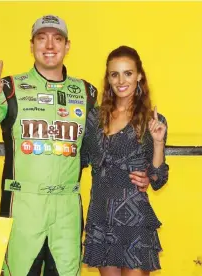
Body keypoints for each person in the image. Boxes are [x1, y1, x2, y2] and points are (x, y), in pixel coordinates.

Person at [0, 15, 149, 276]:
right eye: (41, 38)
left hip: (67, 209)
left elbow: (105, 151)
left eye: (57, 39)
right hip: (23, 206)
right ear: (31, 45)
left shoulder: (86, 93)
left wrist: (142, 174)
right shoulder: (10, 88)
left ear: (67, 46)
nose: (49, 45)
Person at [80, 45, 169, 276]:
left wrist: (158, 143)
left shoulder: (151, 120)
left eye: (128, 73)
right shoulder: (94, 118)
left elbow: (158, 179)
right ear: (108, 78)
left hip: (134, 221)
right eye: (114, 74)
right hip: (100, 217)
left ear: (139, 75)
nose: (121, 80)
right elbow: (79, 159)